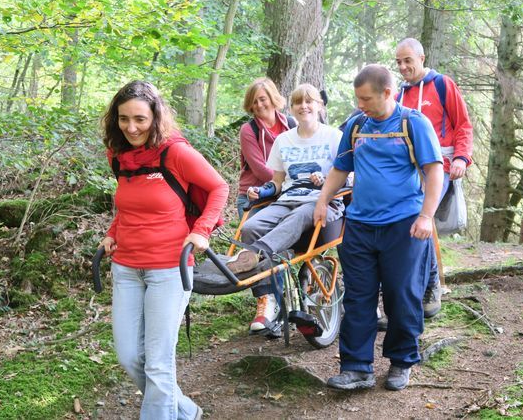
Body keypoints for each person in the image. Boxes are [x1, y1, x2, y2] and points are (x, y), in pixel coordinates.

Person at [99, 81, 228, 419]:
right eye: (124, 119)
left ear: (155, 117)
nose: (131, 127)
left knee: (157, 362)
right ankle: (185, 412)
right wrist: (112, 232)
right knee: (130, 356)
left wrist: (200, 231)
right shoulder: (117, 153)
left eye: (140, 119)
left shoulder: (175, 152)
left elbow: (218, 187)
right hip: (126, 267)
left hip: (169, 268)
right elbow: (130, 204)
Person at [314, 65, 443, 391]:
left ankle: (401, 362)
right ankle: (357, 368)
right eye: (358, 98)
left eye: (366, 98)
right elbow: (340, 167)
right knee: (358, 298)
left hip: (404, 227)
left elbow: (434, 171)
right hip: (359, 225)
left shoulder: (413, 123)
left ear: (388, 92)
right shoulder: (357, 125)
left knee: (402, 296)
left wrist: (426, 217)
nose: (360, 105)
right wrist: (322, 201)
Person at [227, 83, 343, 335]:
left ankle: (254, 255)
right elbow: (277, 182)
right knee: (250, 226)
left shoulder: (334, 136)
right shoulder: (283, 140)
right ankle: (267, 299)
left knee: (301, 214)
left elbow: (348, 175)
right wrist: (262, 191)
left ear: (319, 105)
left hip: (323, 204)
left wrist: (326, 182)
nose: (304, 106)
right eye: (299, 102)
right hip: (288, 200)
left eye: (309, 101)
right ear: (291, 108)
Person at [395, 38, 473, 318]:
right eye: (399, 62)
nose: (403, 67)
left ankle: (430, 287)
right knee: (400, 219)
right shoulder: (399, 95)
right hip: (407, 169)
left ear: (422, 57)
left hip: (440, 164)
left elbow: (463, 124)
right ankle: (407, 285)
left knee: (419, 217)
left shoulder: (442, 84)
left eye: (408, 60)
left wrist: (463, 158)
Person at [237, 77, 296, 219]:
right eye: (254, 101)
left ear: (272, 98)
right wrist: (292, 182)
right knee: (254, 238)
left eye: (263, 99)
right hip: (254, 197)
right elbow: (260, 170)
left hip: (286, 195)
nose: (259, 105)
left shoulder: (291, 124)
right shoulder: (248, 130)